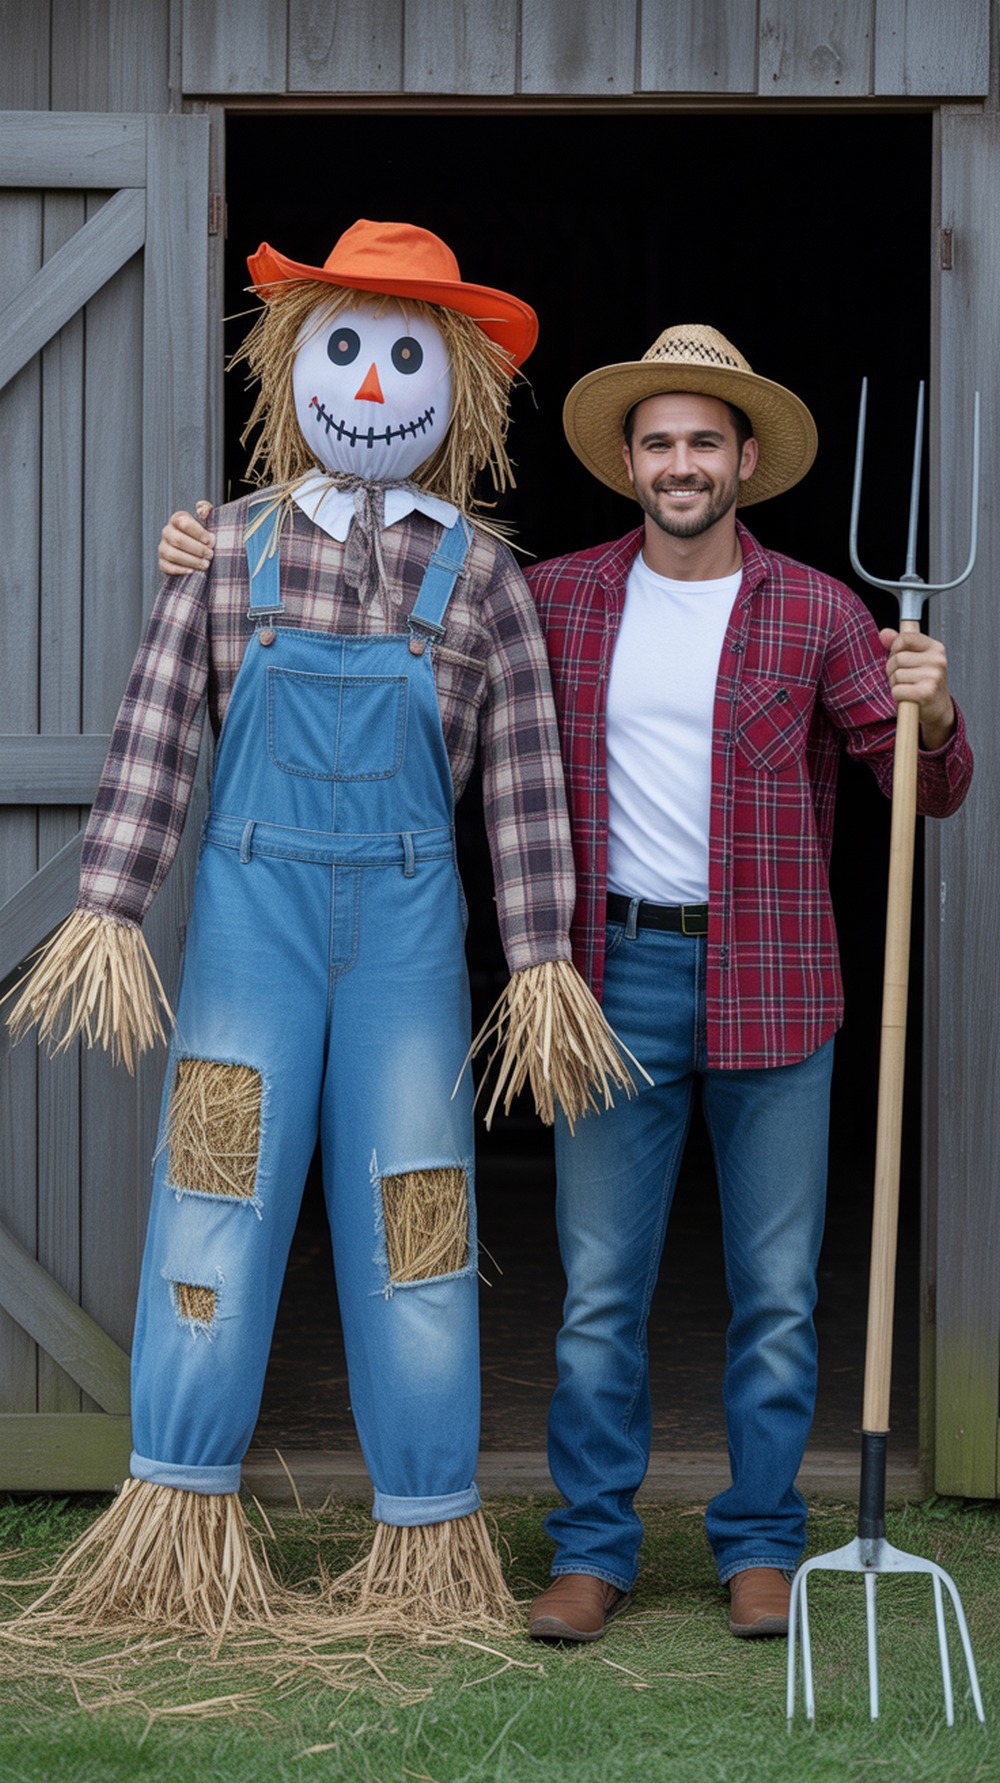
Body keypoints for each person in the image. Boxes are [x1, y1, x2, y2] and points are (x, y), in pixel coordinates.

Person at [156, 322, 972, 1645]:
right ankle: (592, 1548)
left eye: (707, 440)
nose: (683, 462)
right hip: (609, 982)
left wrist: (934, 709)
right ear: (628, 462)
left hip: (777, 982)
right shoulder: (558, 598)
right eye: (660, 441)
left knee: (775, 1291)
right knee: (601, 1290)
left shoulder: (820, 611)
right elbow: (388, 631)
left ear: (747, 460)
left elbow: (918, 790)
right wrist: (207, 555)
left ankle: (760, 1545)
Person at [7, 220, 633, 1638]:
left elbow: (528, 776)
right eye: (342, 350)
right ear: (294, 363)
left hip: (411, 936)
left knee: (418, 1214)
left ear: (453, 387)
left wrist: (539, 960)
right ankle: (176, 1512)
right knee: (214, 1192)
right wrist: (111, 897)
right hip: (251, 926)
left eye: (401, 357)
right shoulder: (223, 553)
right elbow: (156, 735)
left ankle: (425, 1537)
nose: (367, 386)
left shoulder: (483, 579)